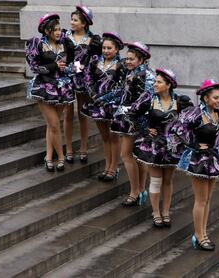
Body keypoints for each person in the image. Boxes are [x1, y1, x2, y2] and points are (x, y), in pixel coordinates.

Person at [168, 79, 219, 250]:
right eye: (215, 98)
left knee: (208, 199)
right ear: (205, 98)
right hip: (199, 160)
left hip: (214, 158)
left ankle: (204, 232)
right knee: (201, 200)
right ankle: (198, 235)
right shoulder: (196, 114)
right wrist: (193, 144)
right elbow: (177, 129)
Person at [131, 68, 193, 227]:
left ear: (168, 85)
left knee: (168, 180)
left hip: (172, 147)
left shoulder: (180, 101)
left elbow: (190, 121)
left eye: (159, 82)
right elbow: (132, 113)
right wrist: (144, 129)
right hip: (154, 146)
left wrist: (182, 136)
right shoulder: (149, 99)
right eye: (155, 81)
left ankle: (166, 212)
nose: (155, 84)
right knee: (156, 180)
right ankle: (155, 212)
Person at [25, 13, 75, 172]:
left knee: (51, 125)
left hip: (62, 88)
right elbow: (34, 67)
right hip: (44, 88)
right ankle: (60, 157)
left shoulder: (64, 44)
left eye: (60, 29)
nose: (59, 32)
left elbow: (72, 66)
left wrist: (68, 64)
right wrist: (54, 66)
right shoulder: (38, 44)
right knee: (54, 124)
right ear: (47, 31)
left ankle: (48, 156)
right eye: (55, 30)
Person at [111, 42, 155, 206]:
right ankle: (140, 189)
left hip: (136, 120)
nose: (127, 61)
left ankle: (135, 191)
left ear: (141, 59)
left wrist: (134, 117)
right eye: (127, 58)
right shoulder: (132, 73)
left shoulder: (147, 76)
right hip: (130, 118)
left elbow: (147, 99)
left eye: (132, 59)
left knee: (126, 155)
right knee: (137, 156)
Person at [81, 32, 126, 181]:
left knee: (114, 138)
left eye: (109, 48)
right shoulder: (95, 62)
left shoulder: (121, 65)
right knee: (105, 137)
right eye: (104, 48)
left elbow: (120, 87)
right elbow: (87, 79)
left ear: (116, 49)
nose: (106, 51)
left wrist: (106, 99)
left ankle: (114, 167)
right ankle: (107, 166)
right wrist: (94, 96)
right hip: (96, 104)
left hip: (112, 105)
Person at [63, 5, 101, 164]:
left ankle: (84, 148)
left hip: (83, 81)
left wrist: (80, 68)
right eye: (71, 19)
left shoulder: (92, 40)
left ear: (84, 23)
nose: (72, 22)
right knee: (67, 114)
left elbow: (93, 63)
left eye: (75, 20)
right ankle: (69, 148)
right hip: (66, 78)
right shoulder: (65, 36)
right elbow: (61, 57)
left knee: (83, 113)